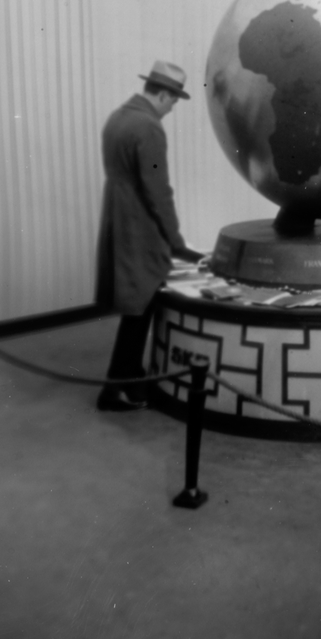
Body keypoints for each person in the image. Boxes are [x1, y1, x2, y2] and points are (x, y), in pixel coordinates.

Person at [95, 60, 200, 411]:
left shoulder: (118, 118)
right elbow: (158, 190)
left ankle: (129, 377)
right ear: (163, 95)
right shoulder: (149, 128)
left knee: (135, 304)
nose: (172, 108)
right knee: (141, 305)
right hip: (139, 222)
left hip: (118, 215)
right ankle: (116, 388)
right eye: (174, 101)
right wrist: (176, 241)